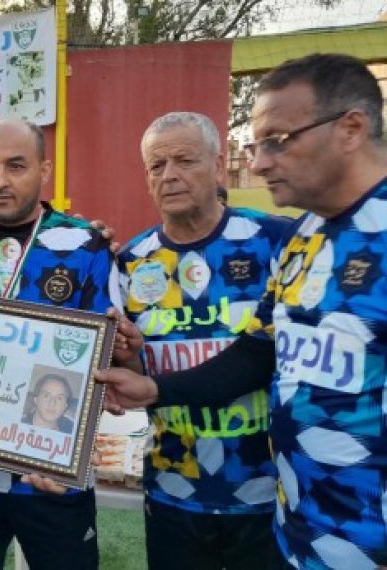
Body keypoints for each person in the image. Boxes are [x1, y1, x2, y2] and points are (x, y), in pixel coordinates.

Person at [98, 53, 387, 569]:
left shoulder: (275, 238)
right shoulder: (306, 239)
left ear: (351, 129)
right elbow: (256, 353)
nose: (259, 163)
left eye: (278, 140)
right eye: (258, 146)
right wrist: (152, 383)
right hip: (296, 527)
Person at [110, 111, 292, 569]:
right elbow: (133, 376)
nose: (169, 176)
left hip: (267, 493)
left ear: (217, 166)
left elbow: (270, 356)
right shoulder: (130, 261)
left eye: (184, 160)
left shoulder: (274, 241)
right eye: (156, 166)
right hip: (174, 491)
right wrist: (129, 359)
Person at [0, 118, 113, 570]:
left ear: (44, 170)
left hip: (53, 477)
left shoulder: (85, 244)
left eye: (16, 166)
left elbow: (102, 354)